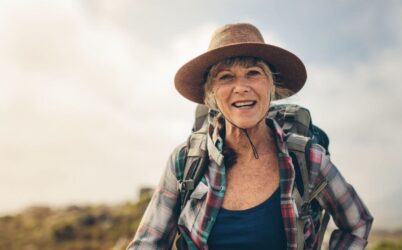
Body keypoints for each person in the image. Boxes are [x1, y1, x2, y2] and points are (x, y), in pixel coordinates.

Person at [128, 23, 373, 250]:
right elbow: (148, 243)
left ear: (271, 86)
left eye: (253, 73)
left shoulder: (307, 158)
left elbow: (357, 223)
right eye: (226, 77)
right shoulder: (185, 160)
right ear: (211, 93)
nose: (241, 87)